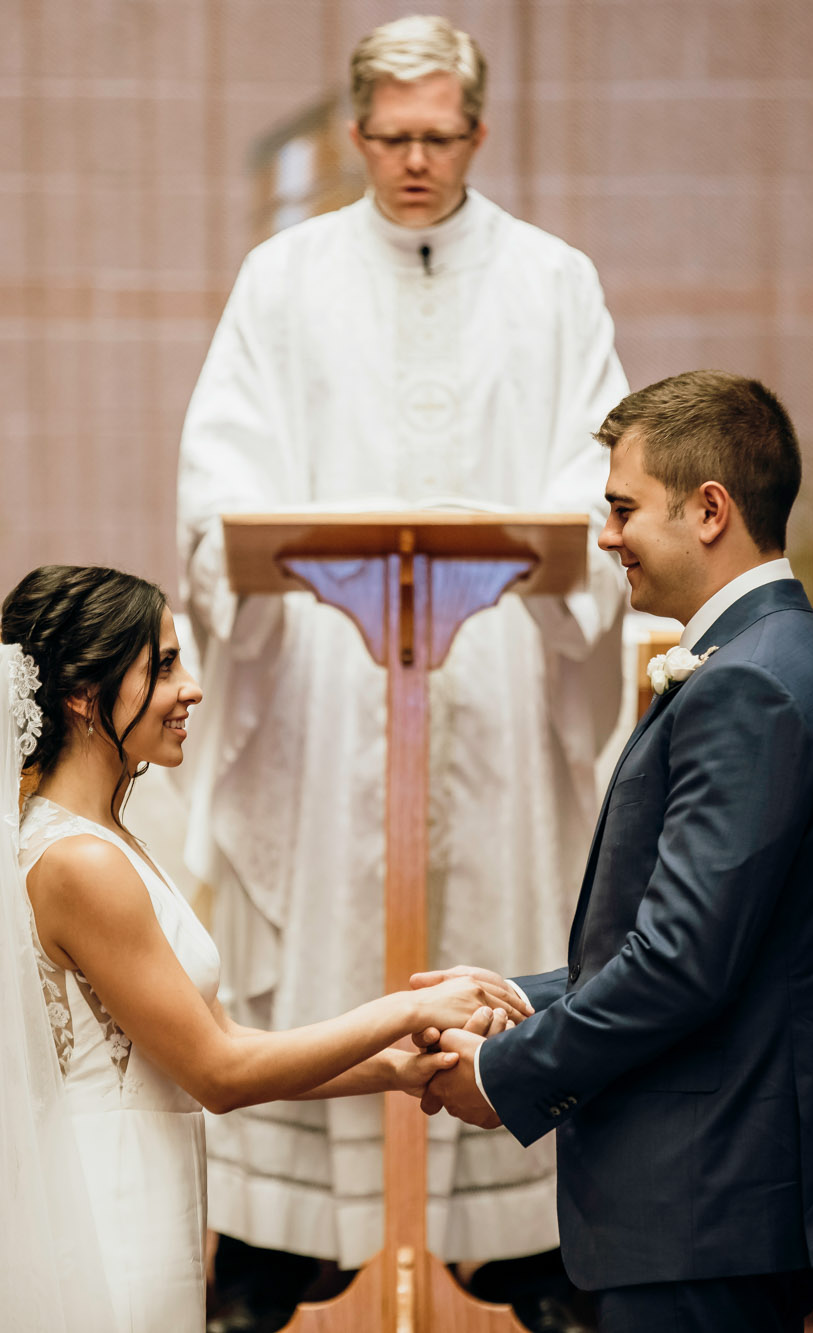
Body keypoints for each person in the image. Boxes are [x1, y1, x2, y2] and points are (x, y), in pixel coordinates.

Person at [176, 15, 626, 1332]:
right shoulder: (286, 278)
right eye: (392, 138)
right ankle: (278, 1245)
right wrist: (261, 548)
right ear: (355, 134)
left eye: (441, 138)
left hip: (490, 674)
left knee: (501, 932)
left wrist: (538, 557)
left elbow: (592, 477)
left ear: (478, 134)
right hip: (330, 680)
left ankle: (525, 1251)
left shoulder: (553, 282)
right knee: (322, 949)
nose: (417, 161)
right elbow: (226, 474)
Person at [0, 564, 527, 1333]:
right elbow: (218, 1073)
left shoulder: (108, 840)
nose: (192, 689)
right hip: (100, 1213)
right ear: (85, 695)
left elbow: (219, 1039)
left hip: (140, 1185)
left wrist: (388, 1066)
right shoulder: (81, 864)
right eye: (165, 665)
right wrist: (409, 1005)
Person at [419, 371, 813, 1332]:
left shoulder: (748, 686)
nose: (605, 535)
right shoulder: (781, 655)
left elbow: (680, 963)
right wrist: (513, 998)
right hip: (732, 1176)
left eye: (623, 507)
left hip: (706, 1183)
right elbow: (717, 942)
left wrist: (506, 1072)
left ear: (709, 509)